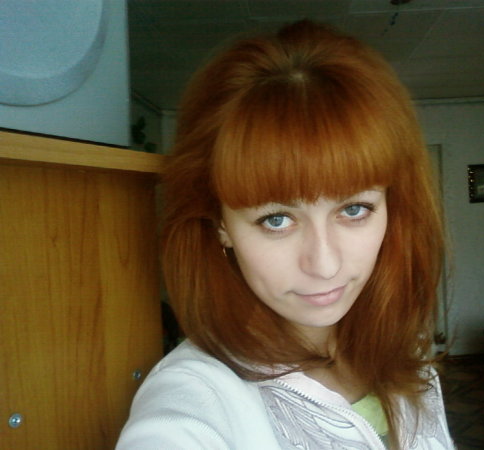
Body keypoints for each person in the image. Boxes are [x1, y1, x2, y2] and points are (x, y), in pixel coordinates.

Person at [117, 20, 453, 450]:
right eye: (276, 219)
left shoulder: (405, 349)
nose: (325, 265)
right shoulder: (197, 399)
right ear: (220, 224)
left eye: (354, 209)